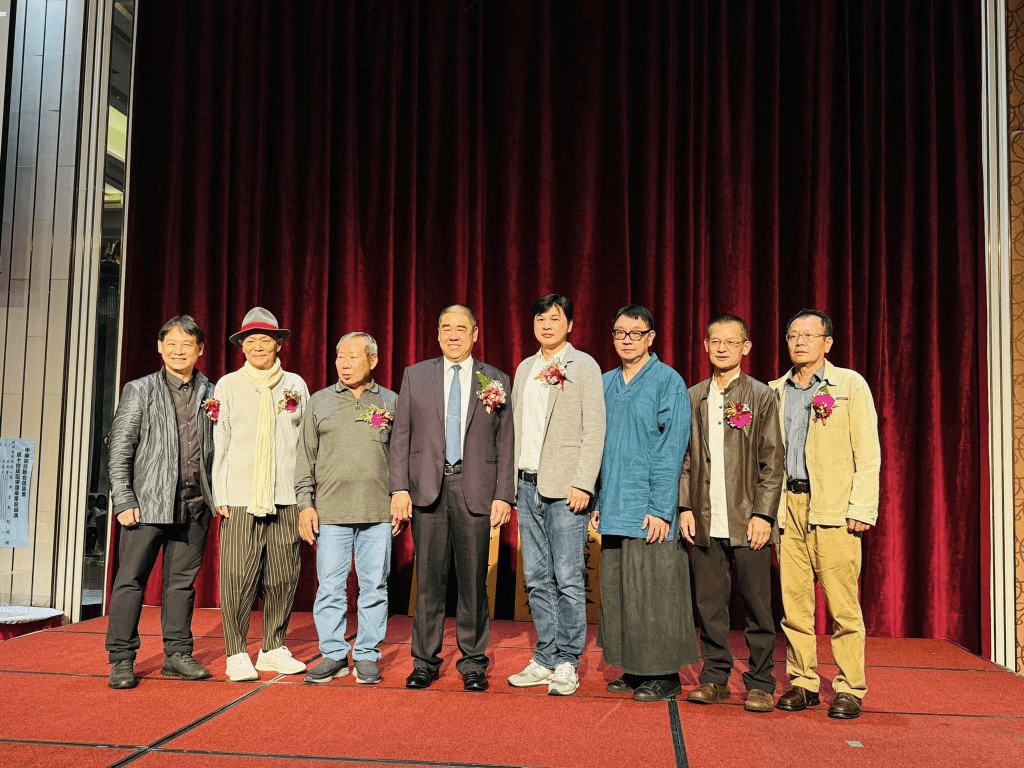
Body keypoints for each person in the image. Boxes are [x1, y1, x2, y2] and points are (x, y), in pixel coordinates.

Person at [389, 304, 514, 692]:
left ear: (475, 333)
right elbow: (401, 436)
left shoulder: (495, 379)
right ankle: (424, 661)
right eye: (446, 327)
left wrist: (503, 495)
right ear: (438, 333)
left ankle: (473, 662)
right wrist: (399, 488)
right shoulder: (416, 375)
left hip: (475, 488)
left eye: (461, 328)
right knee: (428, 581)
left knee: (474, 581)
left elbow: (506, 441)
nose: (453, 335)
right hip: (428, 488)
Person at [770, 309, 880, 719]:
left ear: (827, 342)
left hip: (833, 508)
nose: (800, 342)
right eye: (793, 335)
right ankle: (803, 682)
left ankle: (850, 687)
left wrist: (861, 507)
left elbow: (868, 452)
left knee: (843, 607)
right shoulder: (775, 390)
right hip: (788, 508)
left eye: (809, 335)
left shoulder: (849, 385)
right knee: (795, 606)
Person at [678, 314, 784, 712]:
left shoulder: (761, 395)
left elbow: (773, 462)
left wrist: (763, 515)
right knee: (710, 606)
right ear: (705, 346)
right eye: (715, 341)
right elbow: (685, 459)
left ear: (746, 347)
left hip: (748, 520)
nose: (722, 348)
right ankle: (715, 678)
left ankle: (761, 682)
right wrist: (685, 506)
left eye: (731, 341)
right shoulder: (693, 396)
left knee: (758, 606)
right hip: (706, 519)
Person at [105, 315, 216, 689]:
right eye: (171, 343)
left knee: (181, 584)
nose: (178, 351)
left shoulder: (213, 391)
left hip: (195, 504)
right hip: (147, 504)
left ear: (200, 349)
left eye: (187, 344)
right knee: (130, 582)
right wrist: (124, 498)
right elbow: (120, 447)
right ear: (159, 347)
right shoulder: (140, 389)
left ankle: (177, 654)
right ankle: (121, 659)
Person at [592, 304, 695, 701]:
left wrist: (661, 508)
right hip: (614, 502)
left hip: (650, 506)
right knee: (621, 589)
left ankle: (665, 674)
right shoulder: (605, 382)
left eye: (636, 333)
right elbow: (597, 446)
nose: (627, 340)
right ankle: (635, 668)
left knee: (655, 589)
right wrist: (598, 498)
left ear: (651, 337)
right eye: (620, 333)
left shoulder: (668, 381)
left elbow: (673, 448)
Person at [507, 294, 606, 696]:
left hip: (566, 490)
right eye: (540, 319)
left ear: (570, 325)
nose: (547, 325)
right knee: (536, 578)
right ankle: (545, 657)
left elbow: (594, 428)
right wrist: (512, 486)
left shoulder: (583, 366)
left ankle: (567, 661)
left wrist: (584, 482)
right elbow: (517, 428)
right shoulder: (525, 368)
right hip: (527, 485)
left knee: (567, 577)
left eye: (554, 318)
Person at [295, 332, 399, 685]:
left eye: (353, 357)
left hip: (378, 513)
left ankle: (367, 655)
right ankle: (334, 654)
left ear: (373, 360)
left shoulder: (391, 401)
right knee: (330, 587)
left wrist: (401, 498)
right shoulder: (319, 401)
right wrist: (305, 504)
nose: (344, 363)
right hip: (331, 513)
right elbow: (305, 458)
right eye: (340, 356)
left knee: (374, 587)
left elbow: (403, 457)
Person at [213, 307, 310, 681]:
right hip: (240, 495)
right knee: (238, 576)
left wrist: (304, 494)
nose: (257, 346)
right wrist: (220, 490)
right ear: (242, 346)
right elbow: (220, 439)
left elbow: (304, 441)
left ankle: (272, 648)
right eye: (250, 340)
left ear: (278, 344)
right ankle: (236, 653)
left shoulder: (295, 384)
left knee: (283, 575)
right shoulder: (228, 385)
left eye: (265, 340)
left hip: (285, 495)